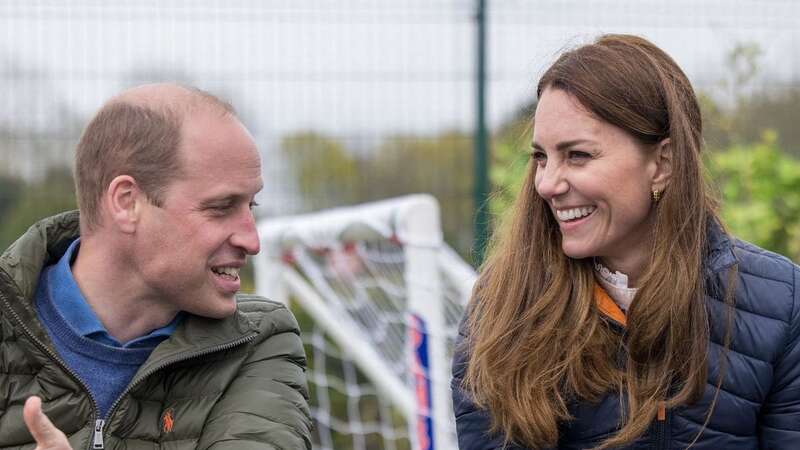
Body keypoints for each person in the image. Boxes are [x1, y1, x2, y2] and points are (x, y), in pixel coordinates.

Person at [452, 34, 800, 449]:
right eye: (541, 157)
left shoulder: (781, 300)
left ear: (663, 163)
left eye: (578, 155)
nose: (546, 183)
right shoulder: (504, 302)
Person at [0, 84, 312, 449]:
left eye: (251, 207)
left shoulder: (258, 341)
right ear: (128, 202)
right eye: (221, 207)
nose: (252, 241)